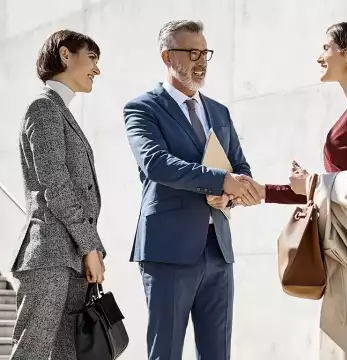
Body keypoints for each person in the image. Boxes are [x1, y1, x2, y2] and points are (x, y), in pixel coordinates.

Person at [239, 21, 347, 359]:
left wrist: (312, 183)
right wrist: (264, 191)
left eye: (326, 48)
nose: (319, 56)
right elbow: (326, 189)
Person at [123, 20, 260, 360]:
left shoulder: (219, 111)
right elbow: (156, 163)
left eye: (205, 52)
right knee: (166, 352)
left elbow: (240, 167)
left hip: (218, 249)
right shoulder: (143, 108)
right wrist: (218, 181)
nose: (201, 61)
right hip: (168, 250)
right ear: (167, 56)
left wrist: (229, 192)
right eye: (192, 52)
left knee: (217, 354)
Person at [8, 29, 106, 360]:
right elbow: (57, 187)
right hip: (49, 255)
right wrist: (90, 245)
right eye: (91, 58)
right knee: (31, 353)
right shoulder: (43, 108)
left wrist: (87, 250)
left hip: (72, 257)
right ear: (66, 55)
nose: (97, 69)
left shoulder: (60, 111)